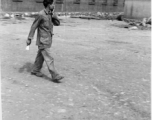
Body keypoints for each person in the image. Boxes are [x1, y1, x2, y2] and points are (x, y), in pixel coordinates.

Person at [26, 0, 64, 81]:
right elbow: (33, 26)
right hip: (43, 40)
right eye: (53, 4)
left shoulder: (50, 13)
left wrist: (54, 15)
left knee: (41, 56)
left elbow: (57, 23)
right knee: (49, 58)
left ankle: (35, 70)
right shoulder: (41, 14)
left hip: (48, 39)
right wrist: (30, 38)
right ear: (49, 4)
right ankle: (55, 75)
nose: (54, 5)